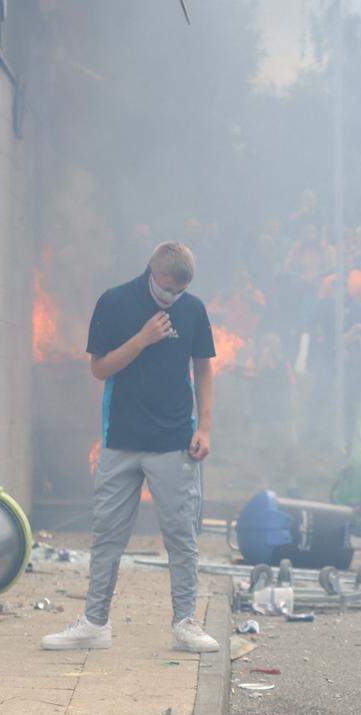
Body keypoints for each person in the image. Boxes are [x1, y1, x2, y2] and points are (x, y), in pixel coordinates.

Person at [42, 242, 220, 654]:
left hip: (175, 442)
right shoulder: (115, 302)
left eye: (179, 291)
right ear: (152, 274)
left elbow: (204, 367)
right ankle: (94, 623)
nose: (172, 298)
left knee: (182, 536)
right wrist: (142, 339)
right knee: (107, 535)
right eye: (167, 289)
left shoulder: (192, 310)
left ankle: (186, 623)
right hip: (120, 440)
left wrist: (205, 428)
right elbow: (99, 368)